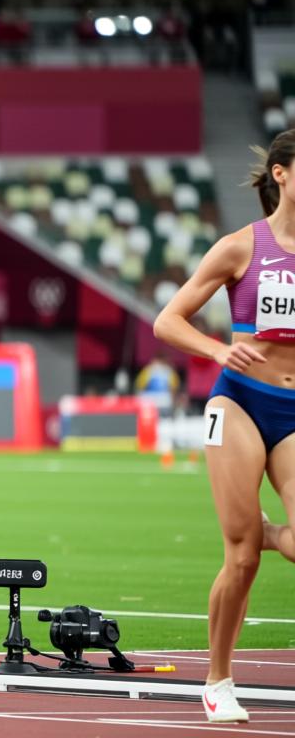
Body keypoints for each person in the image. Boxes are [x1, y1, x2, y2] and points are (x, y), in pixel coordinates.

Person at [153, 129, 295, 724]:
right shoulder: (241, 247)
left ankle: (261, 529)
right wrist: (217, 351)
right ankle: (218, 680)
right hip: (237, 402)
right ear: (282, 174)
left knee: (262, 541)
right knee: (241, 558)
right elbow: (169, 320)